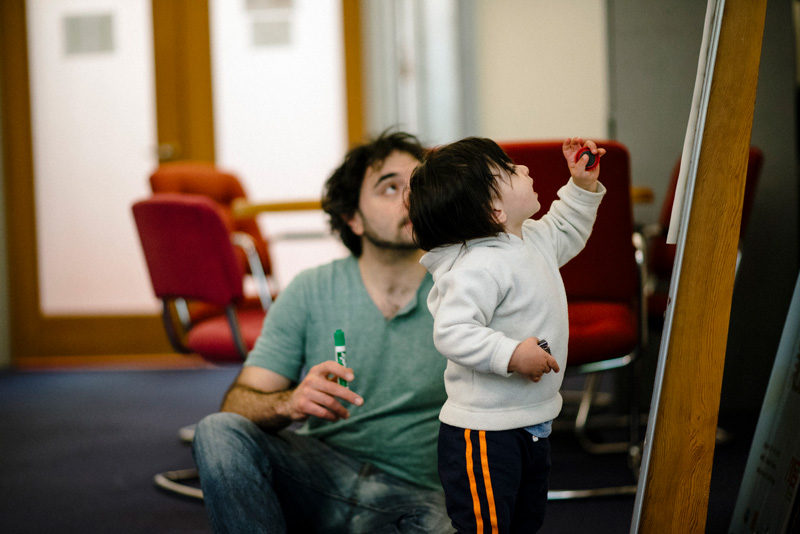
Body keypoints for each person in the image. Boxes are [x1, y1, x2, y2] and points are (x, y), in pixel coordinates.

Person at [191, 131, 452, 534]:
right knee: (218, 431)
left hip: (418, 496)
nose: (409, 198)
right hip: (317, 479)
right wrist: (289, 403)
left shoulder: (463, 286)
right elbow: (237, 404)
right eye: (390, 187)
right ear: (353, 218)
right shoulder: (311, 289)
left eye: (418, 185)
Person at [406, 137, 606, 533]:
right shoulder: (476, 265)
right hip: (484, 433)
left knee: (525, 520)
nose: (526, 170)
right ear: (494, 210)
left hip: (531, 420)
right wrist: (512, 354)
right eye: (511, 171)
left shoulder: (529, 238)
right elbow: (453, 332)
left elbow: (566, 228)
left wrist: (580, 187)